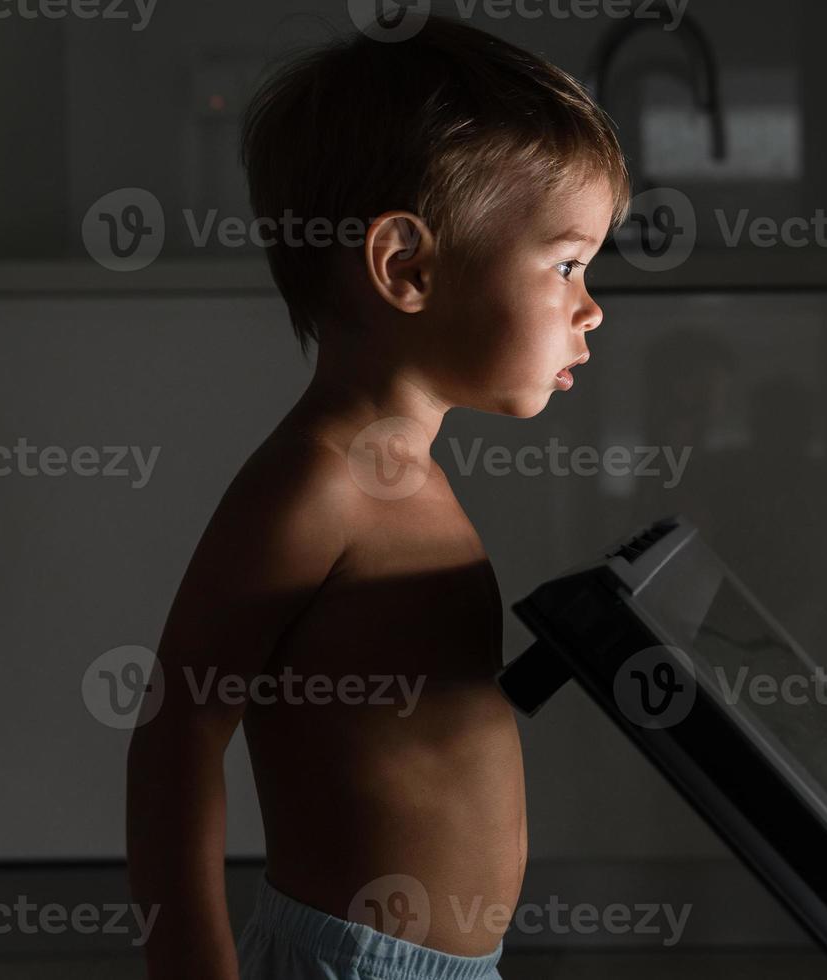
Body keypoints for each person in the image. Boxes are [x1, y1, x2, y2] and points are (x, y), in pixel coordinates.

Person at [125, 18, 630, 980]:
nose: (590, 305)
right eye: (566, 265)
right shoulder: (317, 484)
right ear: (406, 268)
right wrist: (190, 959)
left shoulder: (412, 480)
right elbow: (177, 725)